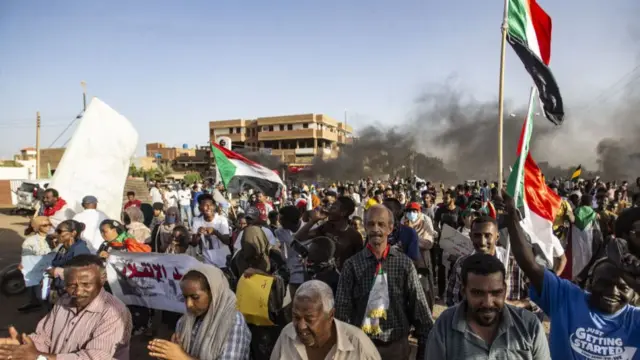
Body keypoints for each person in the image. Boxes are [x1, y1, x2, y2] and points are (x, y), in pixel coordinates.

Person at [499, 190, 640, 359]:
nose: (612, 291)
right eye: (604, 282)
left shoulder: (635, 320)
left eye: (623, 286)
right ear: (590, 282)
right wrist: (512, 217)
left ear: (634, 292)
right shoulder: (566, 299)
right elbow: (529, 264)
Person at [335, 205, 433, 360]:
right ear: (365, 227)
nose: (376, 229)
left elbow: (420, 309)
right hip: (361, 348)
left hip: (396, 347)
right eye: (371, 224)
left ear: (390, 228)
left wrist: (423, 351)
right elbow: (342, 311)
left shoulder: (404, 264)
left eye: (381, 224)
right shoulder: (352, 265)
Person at [0, 255, 132, 360]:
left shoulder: (114, 312)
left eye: (86, 284)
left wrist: (38, 357)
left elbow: (94, 357)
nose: (78, 292)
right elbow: (44, 337)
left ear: (102, 280)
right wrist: (23, 345)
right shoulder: (64, 300)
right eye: (71, 285)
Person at [427, 253, 550, 359]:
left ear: (504, 290)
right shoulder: (445, 326)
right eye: (478, 293)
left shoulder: (529, 326)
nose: (487, 303)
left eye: (496, 293)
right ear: (464, 292)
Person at [147, 264, 251, 360]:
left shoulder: (233, 323)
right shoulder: (185, 321)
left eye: (195, 297)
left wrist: (182, 357)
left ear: (213, 293)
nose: (189, 304)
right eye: (185, 297)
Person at [271, 280, 381, 360]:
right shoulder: (287, 335)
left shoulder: (358, 343)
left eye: (309, 319)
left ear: (330, 315)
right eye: (296, 317)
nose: (301, 326)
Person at [230, 225, 289, 359]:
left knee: (272, 347)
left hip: (271, 312)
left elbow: (284, 278)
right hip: (246, 312)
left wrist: (261, 274)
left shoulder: (274, 255)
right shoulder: (238, 258)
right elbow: (233, 284)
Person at [296, 196, 364, 270]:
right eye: (330, 206)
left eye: (334, 208)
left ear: (343, 213)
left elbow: (359, 264)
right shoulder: (326, 227)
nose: (329, 210)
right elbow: (299, 238)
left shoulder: (355, 236)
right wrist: (313, 221)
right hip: (321, 278)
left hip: (341, 279)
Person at [46, 220, 91, 299]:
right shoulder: (63, 248)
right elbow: (56, 262)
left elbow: (82, 273)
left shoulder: (80, 249)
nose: (56, 234)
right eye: (56, 231)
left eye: (59, 231)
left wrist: (57, 271)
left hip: (73, 293)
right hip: (60, 289)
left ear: (73, 233)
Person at [18, 216, 53, 312]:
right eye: (45, 225)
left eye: (50, 224)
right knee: (40, 294)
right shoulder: (30, 241)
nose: (48, 227)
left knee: (47, 295)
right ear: (37, 227)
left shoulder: (56, 238)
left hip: (52, 270)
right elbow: (26, 257)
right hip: (37, 270)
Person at [191, 194, 231, 268]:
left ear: (214, 206)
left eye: (210, 205)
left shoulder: (221, 220)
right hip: (208, 259)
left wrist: (215, 232)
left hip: (223, 259)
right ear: (200, 208)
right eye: (205, 205)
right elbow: (194, 244)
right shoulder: (197, 220)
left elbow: (227, 241)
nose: (208, 208)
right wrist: (198, 234)